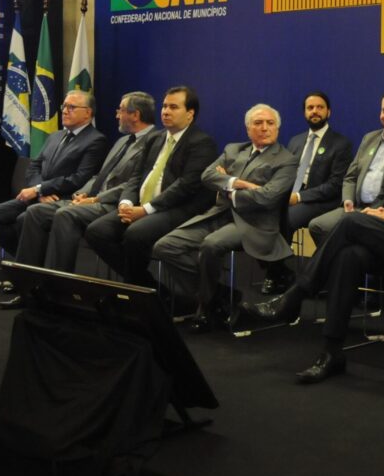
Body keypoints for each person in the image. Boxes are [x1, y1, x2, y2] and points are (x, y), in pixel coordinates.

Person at [240, 91, 384, 383]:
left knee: (351, 222)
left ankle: (295, 295)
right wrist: (377, 210)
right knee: (348, 256)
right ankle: (331, 352)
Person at [153, 104, 298, 333]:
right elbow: (207, 175)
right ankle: (219, 295)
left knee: (211, 245)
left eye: (270, 123)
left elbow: (267, 197)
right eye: (258, 123)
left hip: (253, 223)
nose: (265, 128)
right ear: (248, 129)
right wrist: (240, 183)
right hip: (219, 214)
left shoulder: (286, 159)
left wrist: (228, 189)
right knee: (165, 246)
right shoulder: (234, 150)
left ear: (278, 128)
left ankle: (205, 307)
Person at [5, 92, 156, 294]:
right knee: (35, 212)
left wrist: (95, 198)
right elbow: (99, 176)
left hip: (116, 204)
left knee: (64, 214)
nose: (116, 115)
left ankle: (55, 289)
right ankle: (27, 285)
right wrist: (82, 194)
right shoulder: (122, 141)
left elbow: (134, 184)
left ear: (135, 115)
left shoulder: (154, 142)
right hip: (91, 199)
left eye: (120, 110)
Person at [85, 85, 217, 288]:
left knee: (135, 234)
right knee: (97, 231)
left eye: (174, 107)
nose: (166, 111)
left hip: (178, 209)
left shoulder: (202, 143)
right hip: (141, 206)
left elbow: (185, 186)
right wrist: (126, 203)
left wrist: (146, 210)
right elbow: (136, 176)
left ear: (190, 114)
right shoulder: (155, 138)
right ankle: (148, 288)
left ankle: (137, 291)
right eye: (164, 106)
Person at [0, 90, 108, 260]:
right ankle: (28, 262)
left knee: (24, 219)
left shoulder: (96, 140)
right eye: (64, 106)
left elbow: (79, 178)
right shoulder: (55, 135)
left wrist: (40, 189)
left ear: (88, 113)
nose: (65, 111)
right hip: (39, 196)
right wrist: (39, 191)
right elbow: (34, 167)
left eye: (72, 107)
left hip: (62, 200)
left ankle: (29, 267)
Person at [265, 91, 353, 294]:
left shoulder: (341, 144)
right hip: (291, 196)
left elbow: (335, 185)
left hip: (321, 201)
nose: (315, 111)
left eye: (320, 107)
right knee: (265, 213)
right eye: (310, 108)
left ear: (329, 112)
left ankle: (275, 273)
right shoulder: (296, 141)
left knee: (285, 217)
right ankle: (281, 271)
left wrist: (299, 197)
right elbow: (285, 172)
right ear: (305, 112)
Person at [307, 88, 384, 246]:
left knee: (353, 236)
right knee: (318, 226)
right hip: (355, 208)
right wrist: (348, 200)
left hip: (382, 211)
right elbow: (350, 176)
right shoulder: (369, 138)